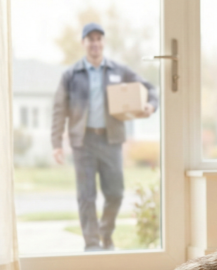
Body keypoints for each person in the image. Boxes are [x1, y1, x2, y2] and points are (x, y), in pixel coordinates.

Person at [51, 23, 159, 251]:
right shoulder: (71, 75)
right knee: (86, 195)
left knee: (116, 193)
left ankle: (105, 232)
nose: (95, 43)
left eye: (99, 39)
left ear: (103, 43)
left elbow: (149, 88)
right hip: (83, 142)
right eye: (90, 39)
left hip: (111, 140)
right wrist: (57, 143)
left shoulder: (118, 71)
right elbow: (59, 109)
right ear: (83, 43)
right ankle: (92, 244)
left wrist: (150, 105)